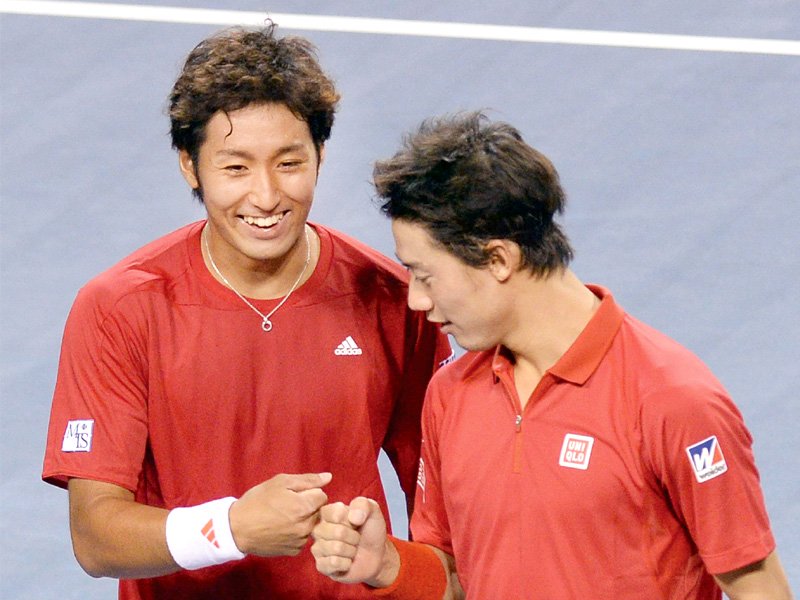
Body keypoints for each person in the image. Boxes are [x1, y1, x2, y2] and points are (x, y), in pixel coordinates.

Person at [41, 23, 452, 599]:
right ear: (190, 166)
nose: (265, 196)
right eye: (235, 168)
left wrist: (392, 565)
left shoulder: (395, 299)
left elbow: (446, 525)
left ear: (320, 154)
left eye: (289, 163)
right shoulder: (119, 309)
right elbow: (96, 538)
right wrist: (230, 529)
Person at [310, 111, 794, 599]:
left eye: (426, 275)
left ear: (498, 259)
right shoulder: (450, 395)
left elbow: (759, 588)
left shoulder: (673, 399)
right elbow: (456, 573)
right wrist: (387, 564)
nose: (415, 299)